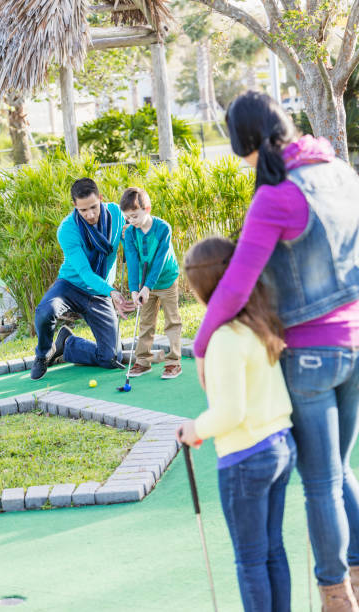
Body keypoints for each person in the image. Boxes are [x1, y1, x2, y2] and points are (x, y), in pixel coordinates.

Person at [193, 90, 359, 610]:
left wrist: (202, 346)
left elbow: (238, 283)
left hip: (310, 356)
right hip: (355, 341)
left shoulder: (276, 194)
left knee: (321, 481)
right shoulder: (339, 172)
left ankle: (336, 593)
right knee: (340, 470)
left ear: (244, 142)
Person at [178, 236, 296, 612]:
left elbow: (230, 413)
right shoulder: (259, 324)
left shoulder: (225, 338)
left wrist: (195, 429)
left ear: (201, 287)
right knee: (272, 549)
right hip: (280, 446)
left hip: (246, 458)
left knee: (249, 558)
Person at [31, 177, 134, 381]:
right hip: (70, 286)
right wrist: (112, 292)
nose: (90, 214)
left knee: (111, 358)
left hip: (98, 292)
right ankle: (43, 354)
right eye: (83, 210)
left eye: (94, 207)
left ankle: (67, 343)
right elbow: (85, 274)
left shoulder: (116, 215)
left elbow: (131, 248)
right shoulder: (67, 229)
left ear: (101, 199)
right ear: (74, 206)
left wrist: (132, 235)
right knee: (45, 311)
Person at [120, 187, 182, 379]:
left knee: (172, 321)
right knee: (146, 322)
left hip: (166, 280)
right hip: (144, 284)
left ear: (147, 209)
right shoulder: (130, 233)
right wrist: (134, 289)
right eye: (128, 218)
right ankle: (143, 361)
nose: (131, 221)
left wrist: (147, 286)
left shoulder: (163, 228)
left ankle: (173, 362)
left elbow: (159, 261)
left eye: (135, 216)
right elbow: (131, 259)